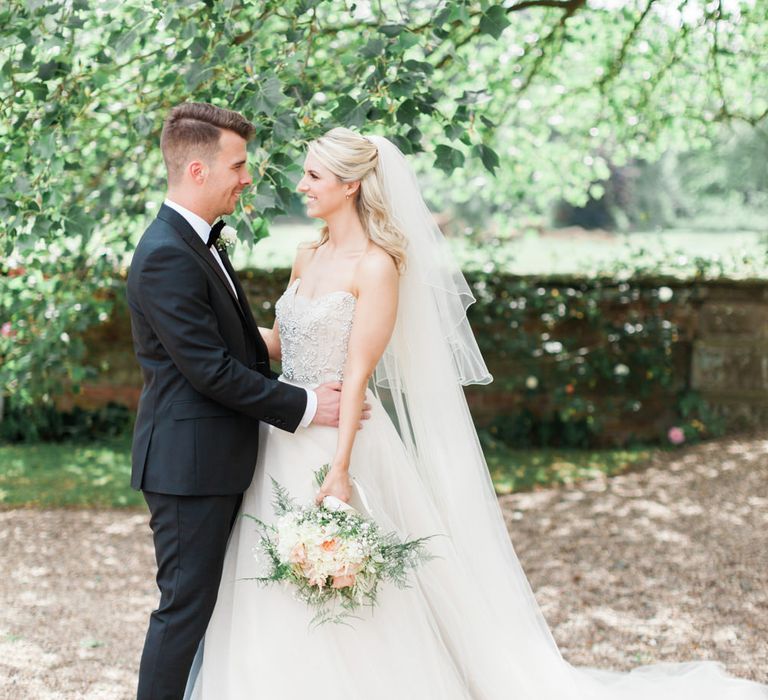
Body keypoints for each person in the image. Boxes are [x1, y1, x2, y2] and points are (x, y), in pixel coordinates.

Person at [185, 128, 767, 699]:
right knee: (269, 574)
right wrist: (202, 334)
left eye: (313, 176)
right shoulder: (306, 254)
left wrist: (340, 472)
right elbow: (284, 342)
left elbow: (359, 374)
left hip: (344, 440)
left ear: (352, 185)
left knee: (355, 580)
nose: (302, 186)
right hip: (284, 433)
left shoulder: (377, 266)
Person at [126, 103, 364, 700]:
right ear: (199, 170)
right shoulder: (165, 253)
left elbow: (229, 345)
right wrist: (308, 405)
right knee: (184, 608)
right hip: (189, 465)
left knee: (222, 604)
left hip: (219, 457)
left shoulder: (197, 242)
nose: (247, 176)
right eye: (238, 164)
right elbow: (209, 370)